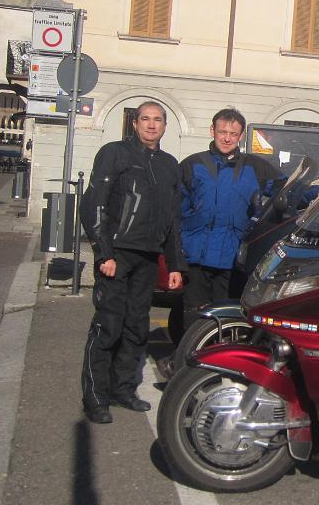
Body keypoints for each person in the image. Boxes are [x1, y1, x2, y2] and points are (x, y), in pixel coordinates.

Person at [79, 101, 184, 424]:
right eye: (146, 119)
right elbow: (93, 205)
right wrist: (104, 253)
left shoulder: (169, 165)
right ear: (135, 123)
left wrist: (176, 264)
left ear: (165, 126)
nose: (152, 125)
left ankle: (124, 389)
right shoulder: (115, 154)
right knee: (108, 325)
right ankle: (96, 396)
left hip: (148, 257)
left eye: (158, 120)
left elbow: (172, 219)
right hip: (118, 253)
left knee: (136, 326)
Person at [168, 108, 287, 348]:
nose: (227, 138)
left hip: (233, 258)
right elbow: (175, 213)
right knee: (194, 314)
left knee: (228, 315)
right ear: (212, 131)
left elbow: (287, 190)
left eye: (233, 133)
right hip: (196, 256)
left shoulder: (256, 167)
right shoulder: (192, 165)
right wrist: (175, 258)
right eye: (222, 131)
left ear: (241, 135)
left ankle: (220, 362)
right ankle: (186, 362)